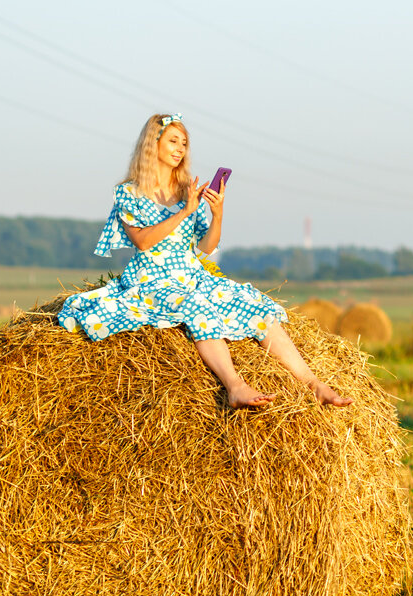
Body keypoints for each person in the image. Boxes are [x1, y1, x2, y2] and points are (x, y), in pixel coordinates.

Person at [59, 112, 352, 408]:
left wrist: (218, 213)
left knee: (254, 305)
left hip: (193, 275)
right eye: (173, 141)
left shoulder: (189, 191)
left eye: (184, 144)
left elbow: (206, 247)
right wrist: (184, 212)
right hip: (151, 279)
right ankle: (235, 386)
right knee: (196, 307)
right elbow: (143, 241)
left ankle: (314, 384)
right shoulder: (128, 193)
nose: (180, 149)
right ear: (152, 143)